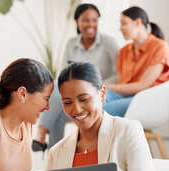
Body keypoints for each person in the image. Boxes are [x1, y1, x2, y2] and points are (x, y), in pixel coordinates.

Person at [32, 3, 120, 152]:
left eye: (95, 20)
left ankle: (41, 135)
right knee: (57, 106)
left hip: (97, 96)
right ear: (77, 22)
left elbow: (120, 74)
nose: (91, 24)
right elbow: (63, 76)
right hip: (76, 96)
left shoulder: (108, 42)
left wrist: (94, 86)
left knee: (57, 111)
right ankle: (56, 160)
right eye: (86, 20)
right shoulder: (71, 44)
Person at [104, 6, 169, 117]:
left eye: (124, 23)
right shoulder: (124, 51)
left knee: (103, 110)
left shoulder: (160, 47)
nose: (120, 28)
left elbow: (143, 86)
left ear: (137, 22)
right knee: (92, 100)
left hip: (146, 100)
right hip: (125, 96)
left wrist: (103, 86)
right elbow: (121, 82)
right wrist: (98, 89)